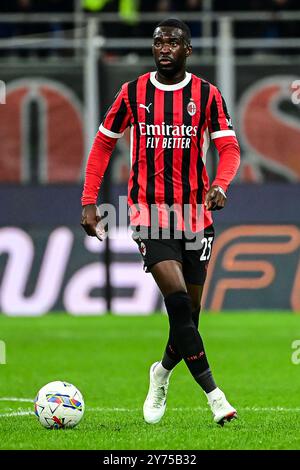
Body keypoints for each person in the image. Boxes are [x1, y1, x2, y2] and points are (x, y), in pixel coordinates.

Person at [81, 18, 240, 426]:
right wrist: (89, 201)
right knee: (178, 302)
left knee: (190, 314)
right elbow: (102, 144)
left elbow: (229, 149)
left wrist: (220, 184)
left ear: (188, 50)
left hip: (195, 215)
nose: (165, 47)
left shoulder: (207, 95)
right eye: (159, 42)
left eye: (174, 42)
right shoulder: (133, 92)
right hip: (148, 213)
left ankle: (162, 372)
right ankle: (216, 396)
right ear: (153, 49)